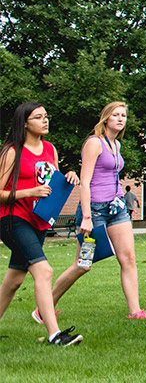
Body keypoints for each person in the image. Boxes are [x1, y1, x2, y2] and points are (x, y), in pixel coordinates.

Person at [49, 102, 146, 320]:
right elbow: (85, 182)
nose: (120, 118)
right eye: (115, 115)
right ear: (105, 118)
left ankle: (135, 311)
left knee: (128, 258)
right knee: (83, 264)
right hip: (94, 211)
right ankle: (45, 307)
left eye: (123, 115)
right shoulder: (94, 143)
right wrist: (86, 217)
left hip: (116, 208)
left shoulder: (115, 145)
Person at [0, 102, 84, 346]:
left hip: (38, 221)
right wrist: (29, 192)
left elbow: (51, 183)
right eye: (38, 117)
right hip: (13, 219)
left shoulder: (50, 149)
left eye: (46, 116)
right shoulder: (11, 152)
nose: (45, 121)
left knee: (15, 280)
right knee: (44, 271)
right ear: (25, 122)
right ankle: (55, 335)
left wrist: (68, 177)